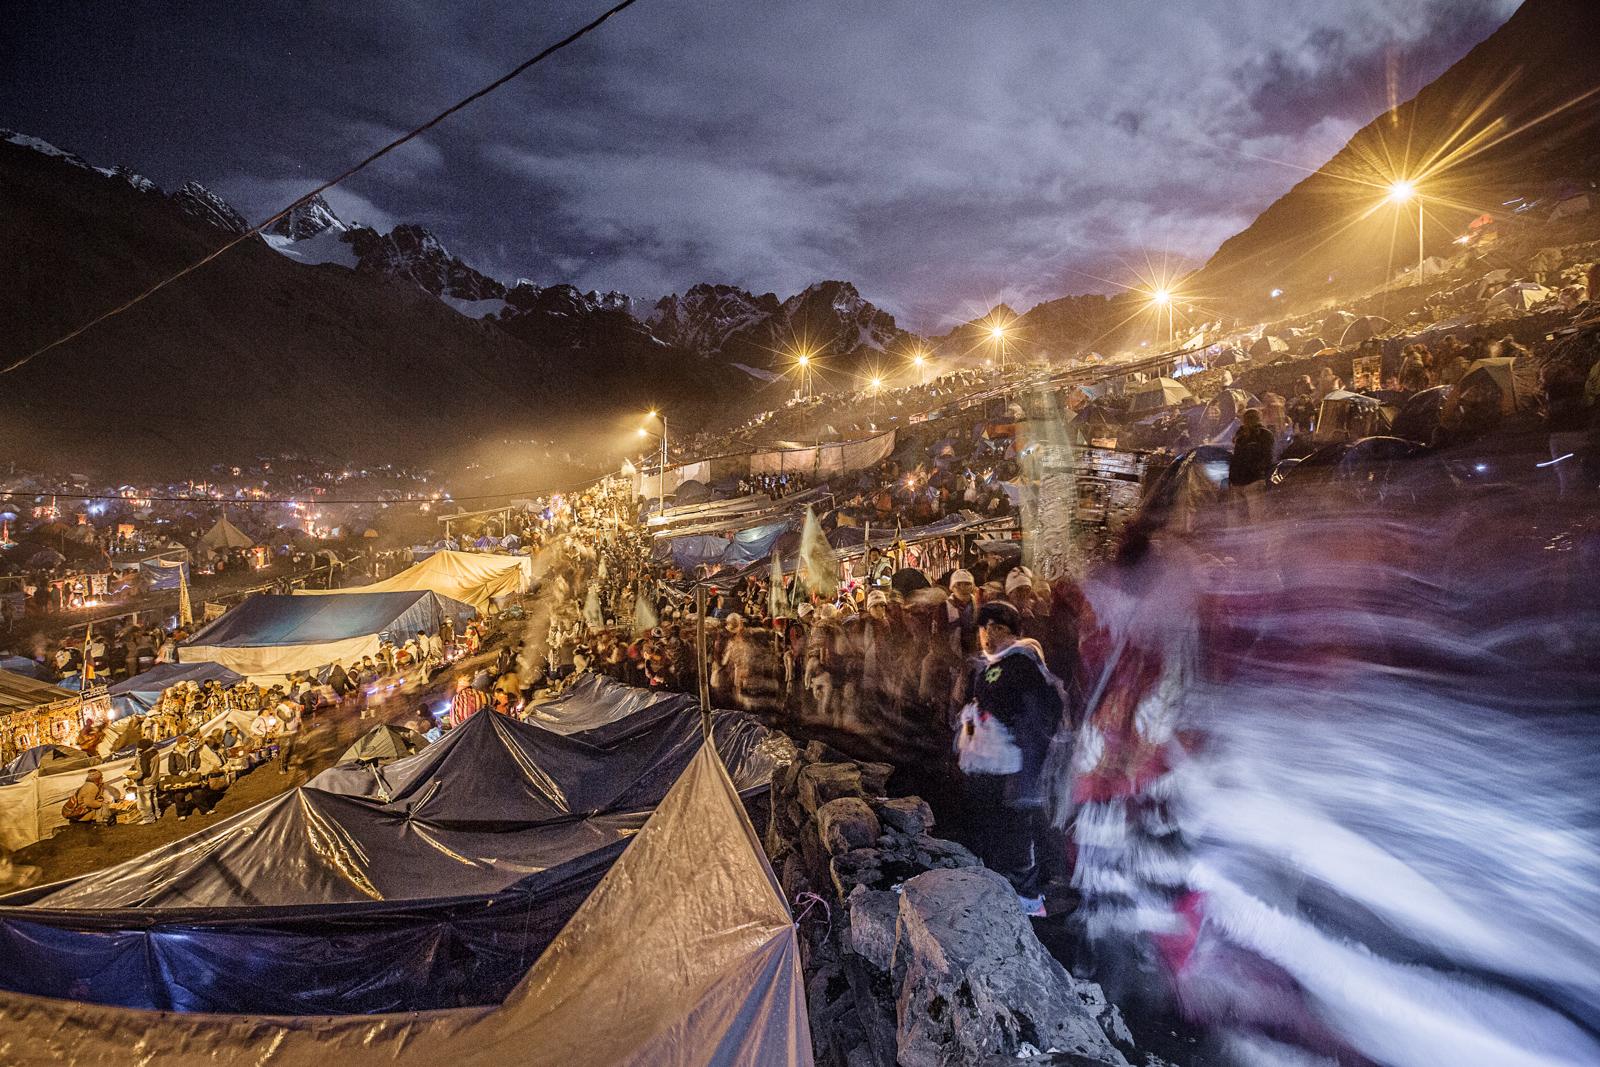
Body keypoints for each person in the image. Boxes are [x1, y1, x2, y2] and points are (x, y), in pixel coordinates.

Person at [955, 600, 1066, 916]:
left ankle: (1027, 902)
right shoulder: (989, 666)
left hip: (1014, 769)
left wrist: (1026, 765)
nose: (989, 634)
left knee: (1017, 836)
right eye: (984, 628)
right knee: (998, 833)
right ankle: (1004, 895)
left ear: (1013, 633)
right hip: (990, 768)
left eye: (998, 628)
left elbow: (1038, 715)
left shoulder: (1022, 665)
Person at [1228, 408, 1276, 521]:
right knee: (1256, 517)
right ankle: (1254, 538)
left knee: (1241, 517)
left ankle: (1243, 538)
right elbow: (1268, 456)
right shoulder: (1265, 434)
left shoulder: (1240, 434)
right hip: (1254, 479)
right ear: (1260, 418)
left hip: (1237, 479)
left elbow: (1236, 455)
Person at [127, 737, 162, 824]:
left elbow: (142, 773)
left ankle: (148, 818)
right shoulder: (155, 752)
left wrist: (130, 776)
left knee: (144, 803)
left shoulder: (143, 757)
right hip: (154, 780)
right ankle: (157, 814)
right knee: (153, 799)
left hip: (145, 782)